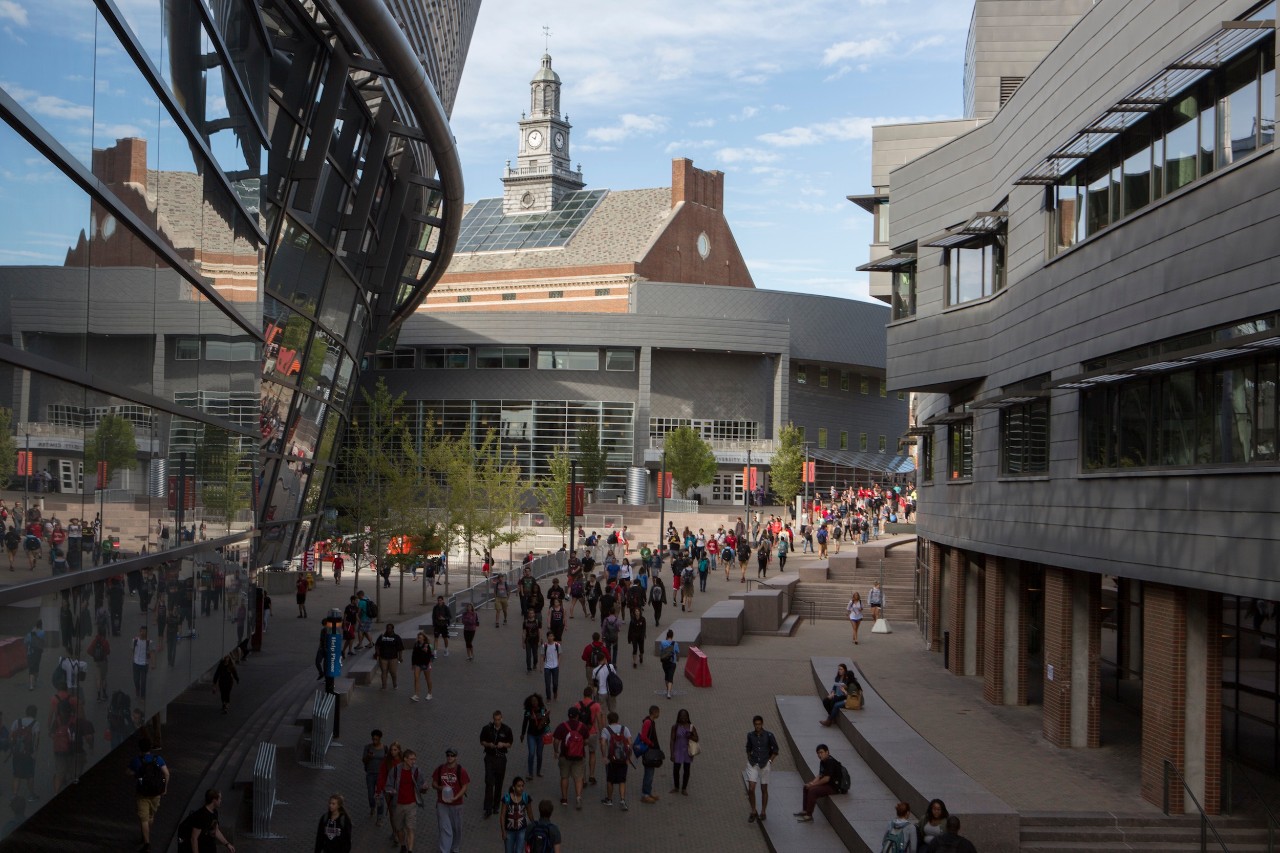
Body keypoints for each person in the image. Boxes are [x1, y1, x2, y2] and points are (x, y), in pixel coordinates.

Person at [379, 748, 427, 853]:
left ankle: (410, 850)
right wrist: (391, 791)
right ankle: (403, 845)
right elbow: (387, 786)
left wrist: (424, 788)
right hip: (398, 805)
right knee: (399, 829)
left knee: (410, 828)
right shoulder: (395, 770)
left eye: (415, 759)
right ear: (405, 759)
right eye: (411, 759)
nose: (414, 762)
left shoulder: (417, 770)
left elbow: (421, 786)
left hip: (411, 804)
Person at [129, 736, 169, 853]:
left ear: (139, 748)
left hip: (142, 793)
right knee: (150, 816)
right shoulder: (158, 759)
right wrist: (164, 788)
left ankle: (147, 843)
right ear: (150, 748)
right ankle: (147, 835)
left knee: (143, 819)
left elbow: (128, 772)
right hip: (156, 793)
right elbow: (167, 774)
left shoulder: (137, 760)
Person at [431, 747, 469, 853]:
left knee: (457, 828)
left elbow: (465, 787)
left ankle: (455, 847)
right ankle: (445, 850)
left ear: (456, 757)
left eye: (452, 755)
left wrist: (456, 797)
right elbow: (433, 783)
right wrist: (439, 787)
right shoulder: (439, 769)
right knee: (445, 828)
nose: (449, 757)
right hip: (442, 803)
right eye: (448, 755)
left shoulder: (461, 770)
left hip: (457, 804)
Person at [552, 706, 588, 810]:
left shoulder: (562, 726)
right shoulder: (582, 727)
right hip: (579, 757)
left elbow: (556, 741)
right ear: (577, 716)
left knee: (564, 777)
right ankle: (578, 798)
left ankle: (564, 799)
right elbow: (586, 741)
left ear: (568, 715)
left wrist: (556, 751)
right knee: (578, 778)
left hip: (564, 756)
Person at [480, 710, 514, 819]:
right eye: (495, 720)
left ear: (502, 719)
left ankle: (496, 806)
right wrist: (488, 744)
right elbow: (481, 741)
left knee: (499, 783)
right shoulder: (487, 729)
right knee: (489, 783)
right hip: (489, 758)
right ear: (493, 719)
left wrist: (503, 744)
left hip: (501, 759)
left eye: (499, 719)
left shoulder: (507, 730)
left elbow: (510, 744)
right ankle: (488, 808)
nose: (497, 722)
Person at [745, 715, 779, 823]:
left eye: (759, 724)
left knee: (764, 788)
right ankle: (753, 810)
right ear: (754, 725)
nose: (758, 726)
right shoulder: (750, 735)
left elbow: (776, 750)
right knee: (751, 788)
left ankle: (763, 811)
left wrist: (769, 761)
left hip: (765, 764)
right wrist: (750, 757)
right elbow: (748, 748)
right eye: (756, 724)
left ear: (762, 724)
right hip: (753, 764)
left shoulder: (769, 735)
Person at [794, 744, 840, 822]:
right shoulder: (823, 761)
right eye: (818, 753)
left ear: (827, 752)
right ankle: (805, 810)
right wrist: (811, 783)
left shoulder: (830, 762)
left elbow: (826, 779)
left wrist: (813, 785)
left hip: (834, 787)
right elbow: (820, 775)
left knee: (813, 791)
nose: (819, 755)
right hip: (828, 784)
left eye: (821, 752)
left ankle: (809, 816)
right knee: (806, 787)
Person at [181, 788, 234, 853]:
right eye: (219, 798)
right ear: (214, 800)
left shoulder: (215, 812)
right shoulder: (201, 816)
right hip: (202, 849)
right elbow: (194, 838)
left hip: (211, 848)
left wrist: (227, 844)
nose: (221, 800)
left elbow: (216, 831)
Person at [598, 711, 632, 810]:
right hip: (623, 759)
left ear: (608, 720)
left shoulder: (606, 730)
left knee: (610, 780)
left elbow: (603, 743)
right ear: (618, 720)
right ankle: (622, 799)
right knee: (622, 780)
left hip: (611, 759)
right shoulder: (624, 729)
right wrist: (628, 757)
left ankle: (609, 799)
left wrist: (604, 756)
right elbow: (630, 743)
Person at [574, 687, 602, 789]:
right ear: (591, 695)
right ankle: (592, 775)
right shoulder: (596, 705)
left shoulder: (577, 705)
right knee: (592, 753)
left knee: (582, 756)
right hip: (592, 732)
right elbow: (599, 720)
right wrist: (601, 733)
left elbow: (575, 720)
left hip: (581, 734)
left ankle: (583, 779)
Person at [10, 705, 38, 801]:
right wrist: (35, 752)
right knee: (30, 775)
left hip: (17, 753)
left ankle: (14, 794)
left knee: (16, 775)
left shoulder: (17, 722)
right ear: (35, 713)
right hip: (28, 754)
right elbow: (36, 738)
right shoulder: (35, 723)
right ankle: (31, 795)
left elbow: (11, 736)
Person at [498, 776, 533, 853]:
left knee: (519, 851)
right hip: (509, 831)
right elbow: (502, 816)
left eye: (522, 786)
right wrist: (503, 831)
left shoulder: (526, 797)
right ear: (514, 787)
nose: (521, 788)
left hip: (522, 830)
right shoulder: (507, 798)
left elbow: (530, 813)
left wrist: (534, 825)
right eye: (519, 786)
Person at [668, 708, 697, 796]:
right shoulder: (675, 727)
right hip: (678, 751)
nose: (683, 718)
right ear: (678, 717)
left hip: (687, 752)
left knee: (686, 770)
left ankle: (684, 788)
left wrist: (691, 736)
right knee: (676, 770)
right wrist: (672, 753)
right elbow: (672, 740)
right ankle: (676, 787)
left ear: (688, 717)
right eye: (681, 716)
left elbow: (697, 738)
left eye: (685, 716)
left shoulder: (691, 727)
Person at [636, 705, 661, 804]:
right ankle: (645, 795)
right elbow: (643, 736)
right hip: (648, 751)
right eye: (658, 712)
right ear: (654, 713)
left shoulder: (651, 722)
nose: (659, 714)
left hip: (652, 751)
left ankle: (648, 792)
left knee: (650, 772)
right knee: (649, 773)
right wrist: (651, 743)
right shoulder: (647, 722)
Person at [521, 693, 550, 778]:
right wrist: (522, 734)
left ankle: (538, 771)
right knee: (531, 753)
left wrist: (542, 724)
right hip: (531, 735)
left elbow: (548, 721)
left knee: (539, 754)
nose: (534, 702)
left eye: (535, 701)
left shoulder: (542, 709)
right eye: (532, 701)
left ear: (538, 701)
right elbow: (525, 723)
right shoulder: (528, 712)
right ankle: (530, 773)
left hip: (541, 735)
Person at [361, 730, 387, 824]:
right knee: (370, 795)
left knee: (380, 797)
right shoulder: (368, 747)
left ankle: (379, 817)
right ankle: (372, 806)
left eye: (376, 739)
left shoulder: (384, 748)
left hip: (381, 776)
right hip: (370, 774)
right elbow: (363, 760)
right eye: (373, 739)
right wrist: (368, 756)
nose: (374, 741)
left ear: (380, 738)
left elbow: (387, 761)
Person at [375, 623, 404, 690]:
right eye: (387, 628)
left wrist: (400, 657)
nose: (388, 630)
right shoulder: (382, 636)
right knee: (384, 671)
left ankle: (395, 684)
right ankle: (384, 686)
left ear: (393, 629)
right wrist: (378, 653)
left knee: (393, 672)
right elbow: (377, 645)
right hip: (383, 658)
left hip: (393, 658)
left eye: (390, 628)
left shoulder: (396, 637)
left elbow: (400, 648)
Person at [410, 632, 434, 702]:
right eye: (418, 637)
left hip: (425, 664)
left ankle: (430, 693)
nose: (419, 639)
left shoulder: (427, 645)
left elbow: (431, 656)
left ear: (423, 638)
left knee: (427, 679)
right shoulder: (416, 645)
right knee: (416, 678)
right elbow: (413, 654)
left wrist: (429, 664)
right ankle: (416, 695)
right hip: (418, 664)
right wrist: (413, 664)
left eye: (420, 638)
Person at [658, 630, 679, 699]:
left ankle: (668, 690)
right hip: (672, 662)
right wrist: (677, 659)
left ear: (667, 635)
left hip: (665, 662)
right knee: (671, 677)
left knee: (666, 676)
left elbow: (661, 651)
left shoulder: (662, 642)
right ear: (672, 636)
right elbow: (677, 652)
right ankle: (669, 693)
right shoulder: (675, 644)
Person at [25, 619, 45, 691]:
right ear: (41, 625)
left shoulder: (29, 634)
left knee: (31, 669)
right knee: (36, 667)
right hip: (38, 653)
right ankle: (35, 680)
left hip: (30, 653)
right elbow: (42, 641)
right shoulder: (42, 632)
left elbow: (26, 642)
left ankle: (31, 685)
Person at [541, 630, 560, 702]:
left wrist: (558, 663)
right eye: (549, 636)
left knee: (555, 683)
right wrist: (541, 667)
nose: (550, 637)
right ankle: (548, 697)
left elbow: (560, 655)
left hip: (555, 667)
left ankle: (555, 692)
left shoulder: (557, 645)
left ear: (554, 637)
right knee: (547, 683)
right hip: (547, 667)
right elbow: (542, 656)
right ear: (547, 637)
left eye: (552, 636)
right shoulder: (544, 646)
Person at [523, 608, 543, 673]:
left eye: (532, 613)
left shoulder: (537, 622)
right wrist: (523, 642)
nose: (531, 614)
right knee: (528, 655)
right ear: (528, 614)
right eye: (530, 613)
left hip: (535, 640)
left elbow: (540, 631)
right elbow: (524, 632)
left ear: (534, 614)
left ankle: (535, 664)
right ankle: (529, 668)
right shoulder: (525, 622)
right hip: (528, 640)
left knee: (535, 655)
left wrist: (540, 640)